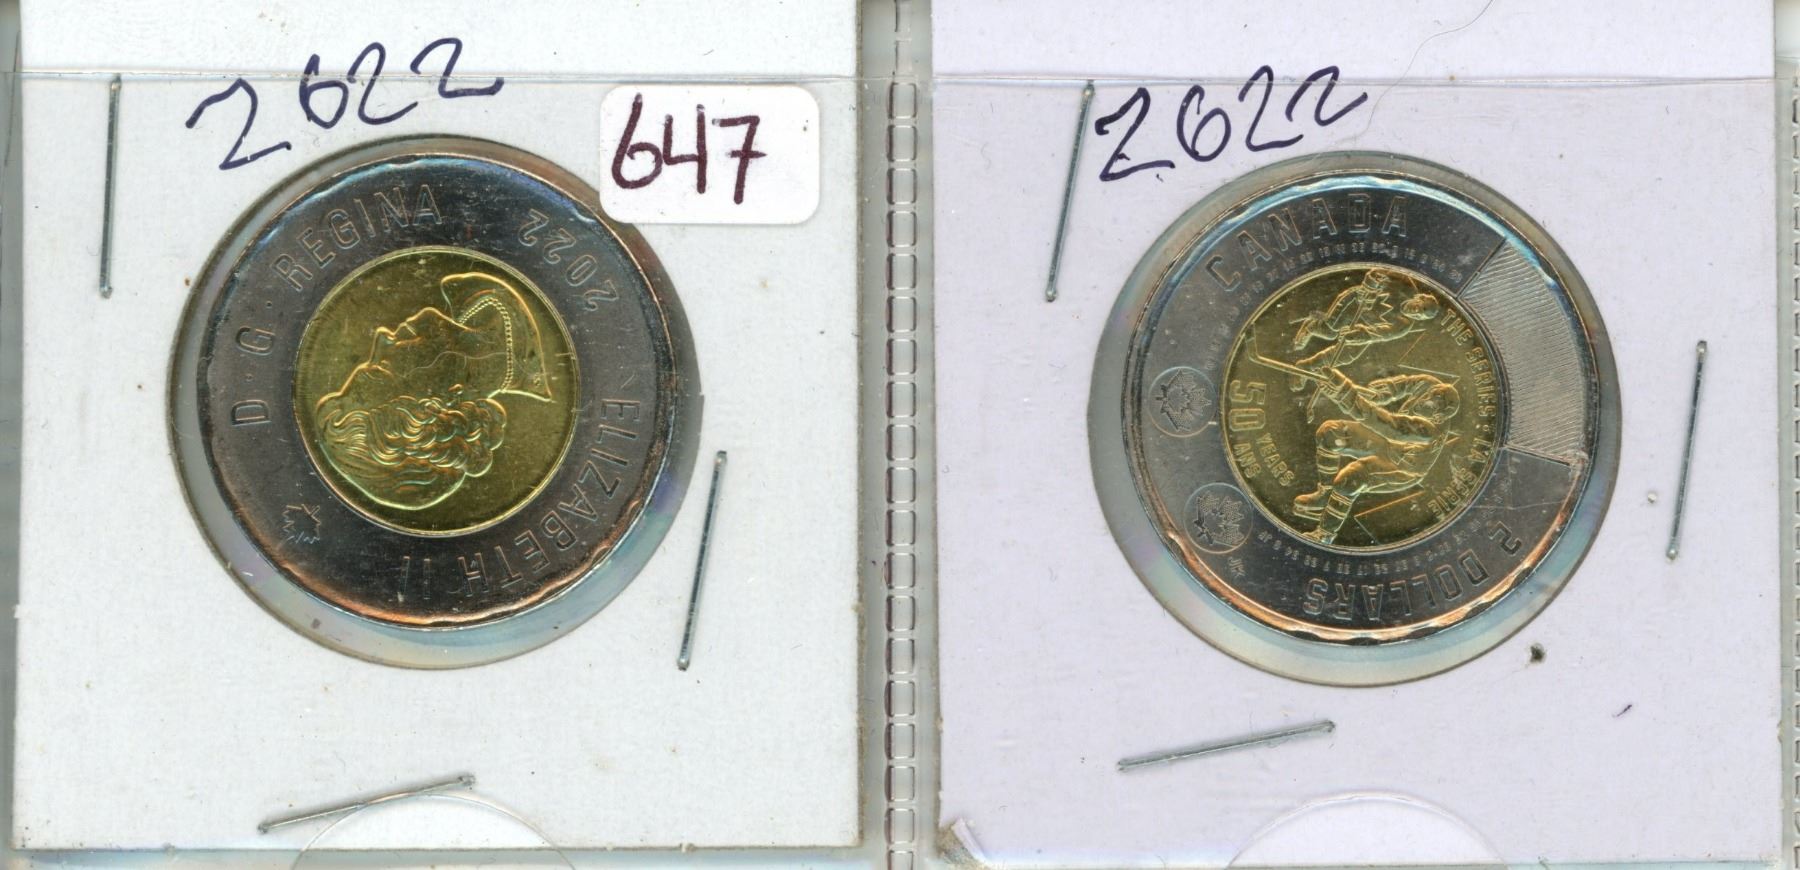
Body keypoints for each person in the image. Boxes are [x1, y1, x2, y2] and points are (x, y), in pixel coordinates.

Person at [313, 271, 553, 510]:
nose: (381, 337)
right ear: (440, 403)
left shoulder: (472, 301)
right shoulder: (487, 307)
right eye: (383, 368)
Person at [1290, 367, 1461, 545]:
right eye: (1431, 394)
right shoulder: (1429, 384)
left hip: (1404, 468)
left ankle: (1324, 535)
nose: (1425, 400)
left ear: (1439, 416)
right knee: (1330, 432)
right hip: (1387, 443)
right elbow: (1398, 387)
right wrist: (1375, 393)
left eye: (1433, 404)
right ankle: (1325, 495)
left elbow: (1390, 425)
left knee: (1350, 479)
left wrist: (1344, 393)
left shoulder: (1429, 431)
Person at [1288, 268, 1441, 393]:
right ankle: (1310, 326)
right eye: (1420, 307)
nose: (1415, 312)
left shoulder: (1403, 326)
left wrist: (1354, 336)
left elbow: (1375, 334)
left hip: (1364, 324)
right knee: (1331, 330)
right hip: (1355, 302)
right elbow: (1378, 271)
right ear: (1419, 298)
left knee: (1348, 355)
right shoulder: (1404, 283)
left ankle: (1306, 366)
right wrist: (1371, 284)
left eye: (1419, 315)